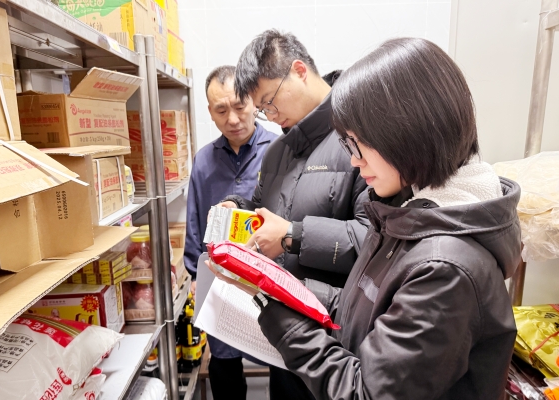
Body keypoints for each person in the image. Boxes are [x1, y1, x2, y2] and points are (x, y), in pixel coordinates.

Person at [209, 37, 521, 400]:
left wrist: (274, 306)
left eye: (357, 144)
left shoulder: (445, 268)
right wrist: (273, 287)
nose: (354, 161)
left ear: (407, 132)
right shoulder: (407, 215)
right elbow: (359, 306)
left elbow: (366, 392)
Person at [215, 30, 369, 399]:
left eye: (269, 101)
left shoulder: (360, 136)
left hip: (339, 344)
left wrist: (293, 235)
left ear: (299, 71)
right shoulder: (277, 152)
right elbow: (263, 209)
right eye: (262, 109)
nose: (270, 116)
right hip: (284, 337)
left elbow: (376, 243)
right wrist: (237, 209)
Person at [183, 65, 278, 400]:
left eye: (239, 106)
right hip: (219, 279)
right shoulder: (203, 161)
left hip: (269, 279)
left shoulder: (279, 150)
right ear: (210, 112)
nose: (233, 119)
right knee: (224, 365)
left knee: (281, 362)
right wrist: (196, 275)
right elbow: (194, 221)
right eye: (222, 110)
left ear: (253, 102)